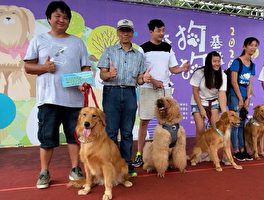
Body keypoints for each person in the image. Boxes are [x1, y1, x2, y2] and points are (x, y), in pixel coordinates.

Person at [24, 1, 91, 189]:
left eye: (65, 17)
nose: (62, 20)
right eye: (57, 16)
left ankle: (75, 169)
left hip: (74, 101)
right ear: (49, 19)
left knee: (74, 137)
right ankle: (44, 171)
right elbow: (28, 66)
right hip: (49, 99)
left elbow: (85, 66)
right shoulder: (38, 40)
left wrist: (84, 80)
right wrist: (44, 67)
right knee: (47, 138)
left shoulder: (77, 42)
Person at [132, 19, 189, 168]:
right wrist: (153, 81)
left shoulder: (168, 48)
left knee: (167, 122)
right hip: (147, 89)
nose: (162, 33)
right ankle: (139, 155)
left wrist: (182, 69)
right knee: (144, 121)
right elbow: (140, 73)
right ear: (151, 31)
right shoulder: (142, 49)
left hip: (165, 91)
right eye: (159, 30)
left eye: (163, 30)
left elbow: (173, 69)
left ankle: (167, 156)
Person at [97, 19, 148, 177]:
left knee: (127, 132)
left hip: (130, 93)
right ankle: (110, 164)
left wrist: (143, 79)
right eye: (122, 30)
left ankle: (126, 164)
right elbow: (102, 74)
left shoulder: (139, 56)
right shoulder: (109, 51)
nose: (125, 33)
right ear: (118, 33)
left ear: (132, 33)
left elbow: (139, 80)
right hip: (111, 92)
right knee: (111, 131)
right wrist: (109, 74)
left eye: (128, 31)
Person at [227, 37, 259, 161]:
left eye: (255, 45)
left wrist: (247, 99)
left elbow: (250, 83)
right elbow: (234, 82)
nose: (253, 47)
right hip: (235, 95)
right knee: (235, 123)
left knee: (242, 124)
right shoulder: (237, 62)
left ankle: (242, 149)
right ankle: (235, 150)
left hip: (245, 95)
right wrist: (240, 98)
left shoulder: (252, 65)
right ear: (244, 46)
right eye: (251, 45)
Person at [190, 51, 227, 135]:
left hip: (213, 102)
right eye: (214, 61)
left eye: (218, 61)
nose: (217, 64)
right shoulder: (199, 73)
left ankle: (212, 148)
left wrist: (224, 112)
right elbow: (195, 92)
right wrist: (202, 109)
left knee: (216, 129)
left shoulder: (223, 75)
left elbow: (222, 94)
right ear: (208, 62)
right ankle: (200, 147)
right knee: (200, 130)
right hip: (198, 102)